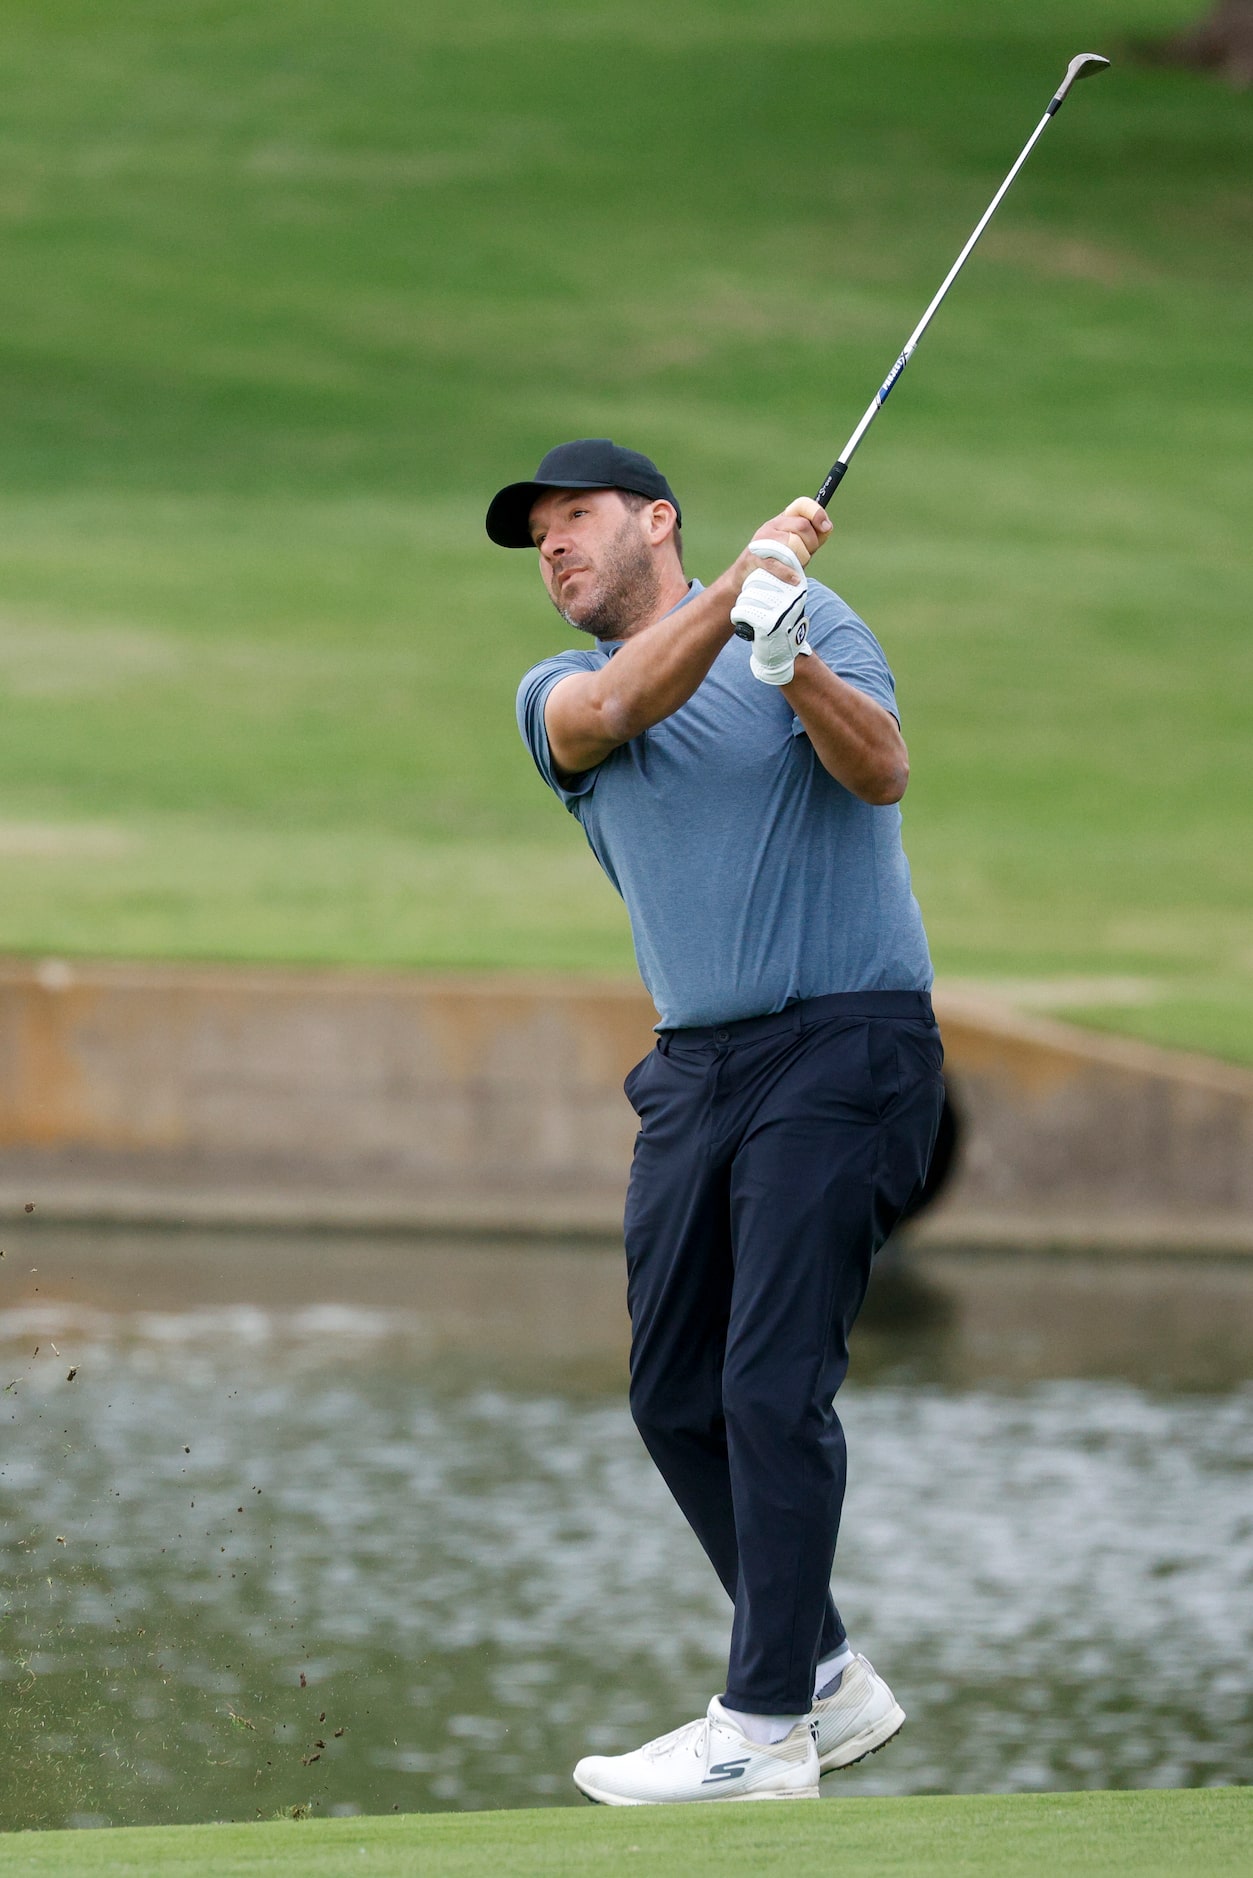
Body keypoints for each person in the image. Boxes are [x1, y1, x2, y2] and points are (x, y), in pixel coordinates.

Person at [486, 438, 944, 1805]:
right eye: (541, 537)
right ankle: (820, 1673)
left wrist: (787, 650)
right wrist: (741, 584)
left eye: (577, 520)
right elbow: (618, 707)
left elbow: (882, 773)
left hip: (846, 1044)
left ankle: (760, 1726)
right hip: (693, 1069)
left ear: (654, 521)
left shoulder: (814, 620)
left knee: (765, 1382)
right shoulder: (554, 692)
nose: (555, 547)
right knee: (672, 1388)